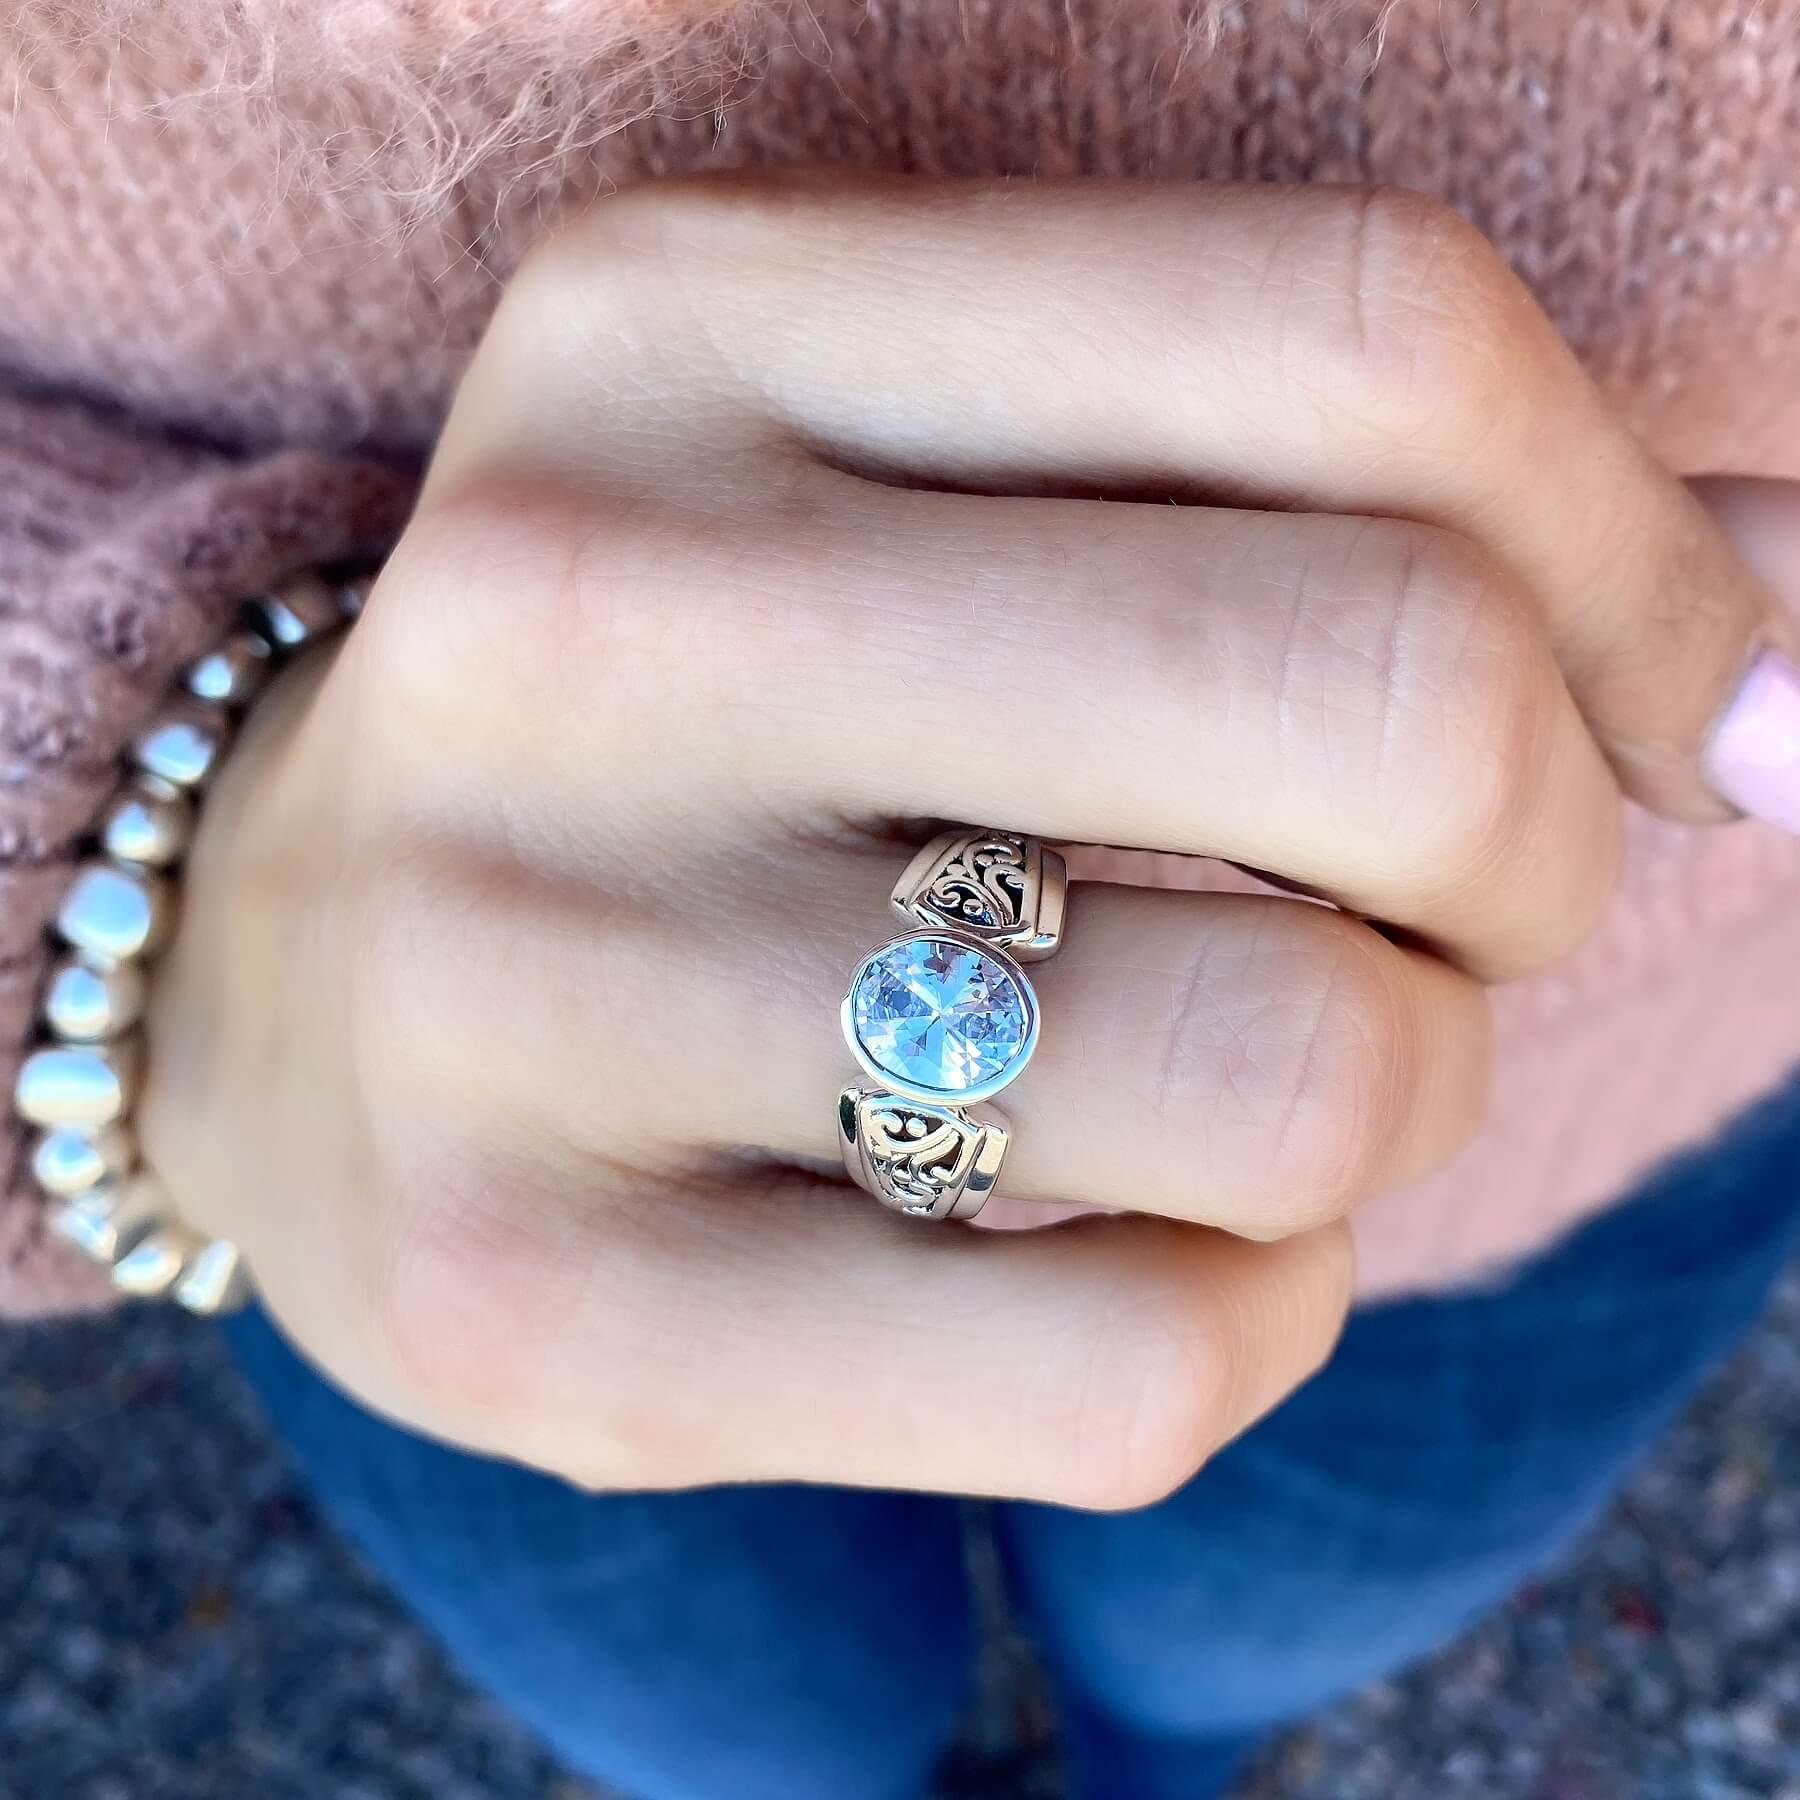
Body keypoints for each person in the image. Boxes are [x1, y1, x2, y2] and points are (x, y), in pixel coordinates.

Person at [6, 3, 1800, 1796]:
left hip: (1607, 1066)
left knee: (1233, 1656)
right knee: (753, 1731)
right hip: (427, 1063)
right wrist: (183, 849)